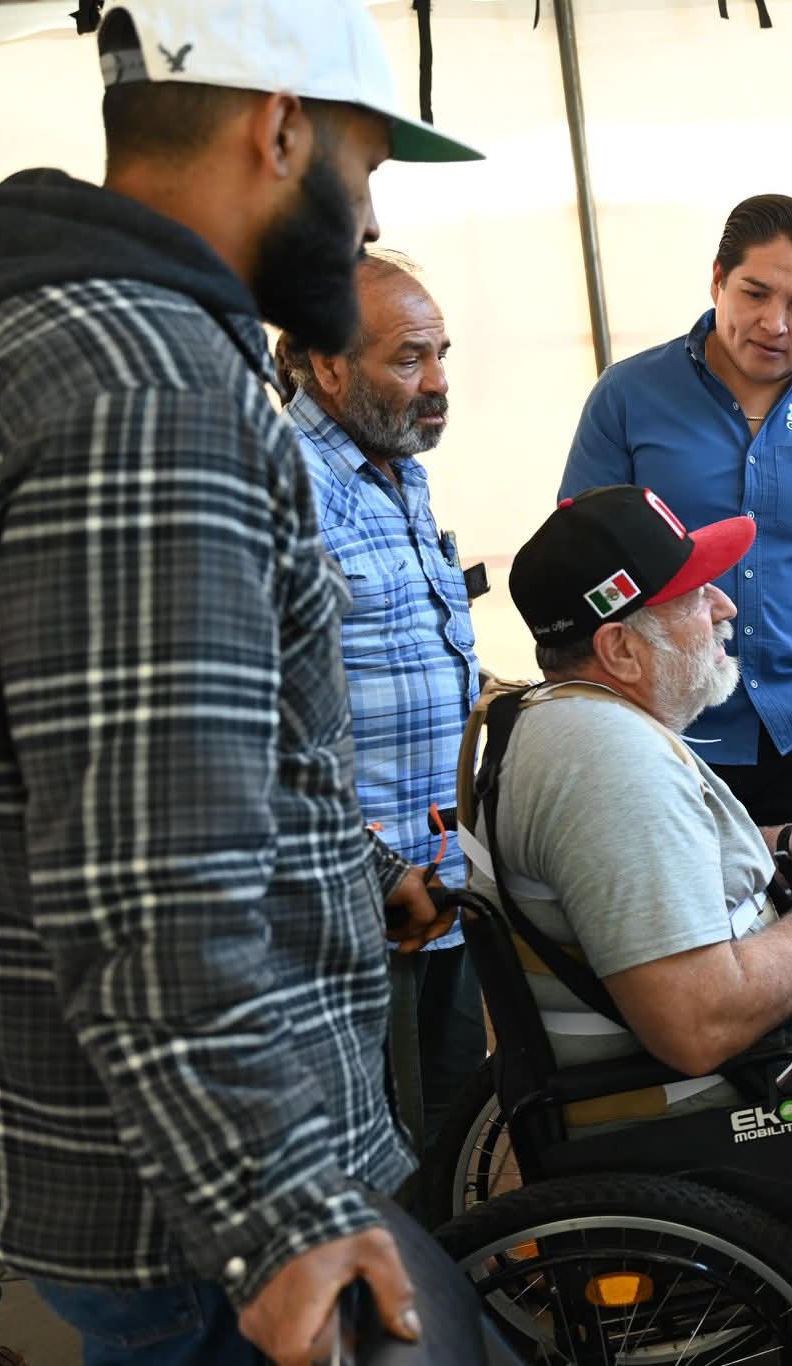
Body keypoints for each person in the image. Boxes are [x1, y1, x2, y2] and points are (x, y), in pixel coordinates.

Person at [0, 2, 479, 1362]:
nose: (368, 221)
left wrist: (357, 874)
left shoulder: (51, 331)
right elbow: (152, 870)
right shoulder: (144, 388)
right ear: (282, 128)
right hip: (201, 1214)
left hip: (131, 1152)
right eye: (366, 170)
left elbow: (163, 752)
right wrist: (281, 1208)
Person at [464, 485, 792, 1219]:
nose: (724, 606)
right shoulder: (608, 764)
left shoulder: (555, 717)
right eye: (693, 595)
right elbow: (698, 1026)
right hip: (717, 1120)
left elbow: (637, 874)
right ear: (620, 647)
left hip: (749, 1067)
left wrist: (782, 846)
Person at [560, 194, 792, 825]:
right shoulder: (629, 396)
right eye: (755, 294)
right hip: (664, 728)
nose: (775, 323)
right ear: (717, 281)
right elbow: (580, 564)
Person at [277, 252, 484, 1152]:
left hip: (442, 889)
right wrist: (371, 868)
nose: (437, 382)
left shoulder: (397, 467)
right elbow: (261, 731)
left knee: (450, 1133)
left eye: (441, 354)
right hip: (358, 909)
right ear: (328, 366)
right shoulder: (283, 486)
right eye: (408, 359)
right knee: (373, 1160)